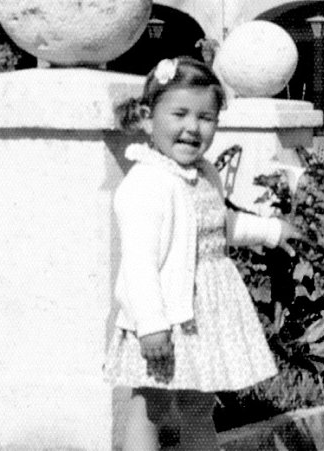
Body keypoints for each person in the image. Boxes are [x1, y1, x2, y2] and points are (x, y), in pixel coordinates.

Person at [105, 56, 300, 450]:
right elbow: (140, 265)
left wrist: (271, 230)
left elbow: (219, 226)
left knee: (198, 404)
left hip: (204, 313)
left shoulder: (204, 173)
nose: (192, 128)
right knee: (152, 404)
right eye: (179, 114)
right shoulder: (147, 184)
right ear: (147, 117)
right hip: (166, 317)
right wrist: (151, 325)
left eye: (206, 117)